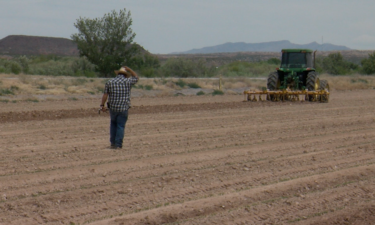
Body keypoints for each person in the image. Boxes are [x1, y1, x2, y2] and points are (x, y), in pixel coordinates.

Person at [100, 66, 139, 149]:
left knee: (113, 125)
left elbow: (105, 94)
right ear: (125, 74)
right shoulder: (128, 81)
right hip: (123, 107)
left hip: (113, 107)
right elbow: (136, 77)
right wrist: (130, 69)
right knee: (120, 126)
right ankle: (118, 144)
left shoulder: (110, 82)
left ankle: (113, 143)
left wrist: (102, 105)